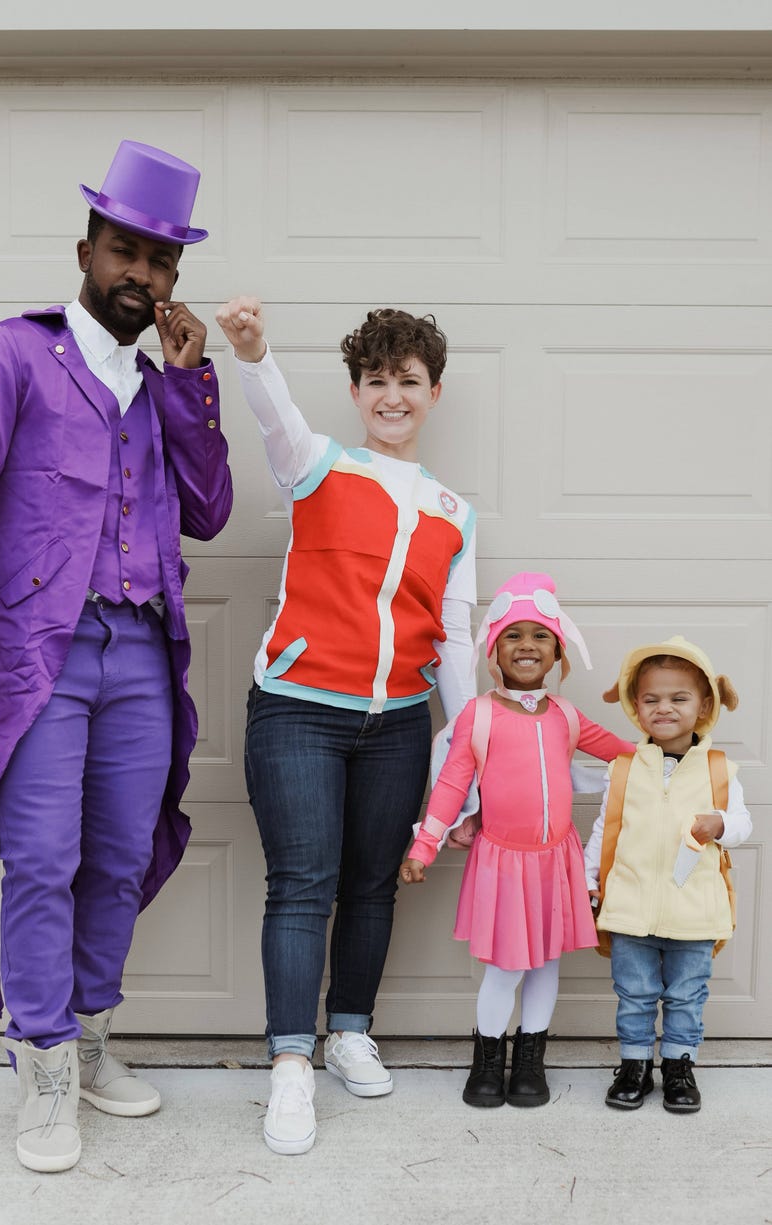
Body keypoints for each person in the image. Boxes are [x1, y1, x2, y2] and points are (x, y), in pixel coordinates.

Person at [0, 139, 233, 1172]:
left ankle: (91, 1034)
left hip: (141, 649)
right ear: (86, 250)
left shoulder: (159, 387)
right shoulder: (7, 354)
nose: (140, 275)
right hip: (36, 654)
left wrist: (192, 389)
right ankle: (42, 1060)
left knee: (116, 853)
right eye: (124, 252)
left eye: (160, 261)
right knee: (43, 860)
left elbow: (206, 510)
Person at [215, 296, 477, 1155]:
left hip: (398, 722)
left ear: (434, 392)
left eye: (408, 380)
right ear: (356, 390)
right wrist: (252, 353)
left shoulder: (452, 509)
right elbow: (275, 418)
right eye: (375, 380)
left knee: (372, 881)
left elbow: (457, 637)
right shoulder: (317, 464)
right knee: (303, 883)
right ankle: (291, 1066)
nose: (391, 395)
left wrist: (467, 752)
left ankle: (351, 1031)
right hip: (299, 711)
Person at [401, 573, 634, 1108]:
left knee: (546, 963)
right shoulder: (477, 717)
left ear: (557, 654)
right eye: (513, 635)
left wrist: (675, 757)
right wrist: (423, 847)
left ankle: (531, 1060)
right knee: (505, 968)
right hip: (503, 863)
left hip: (556, 862)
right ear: (492, 652)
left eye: (540, 636)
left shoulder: (568, 718)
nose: (526, 645)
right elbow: (452, 784)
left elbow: (625, 754)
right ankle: (487, 1060)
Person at [584, 636, 751, 1113]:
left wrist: (722, 824)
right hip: (632, 908)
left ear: (703, 707)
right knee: (634, 995)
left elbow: (742, 824)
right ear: (636, 706)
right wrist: (586, 878)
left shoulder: (719, 769)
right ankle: (634, 1064)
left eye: (679, 698)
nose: (664, 708)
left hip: (695, 911)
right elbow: (606, 828)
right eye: (652, 699)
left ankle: (679, 1065)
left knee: (685, 996)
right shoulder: (625, 768)